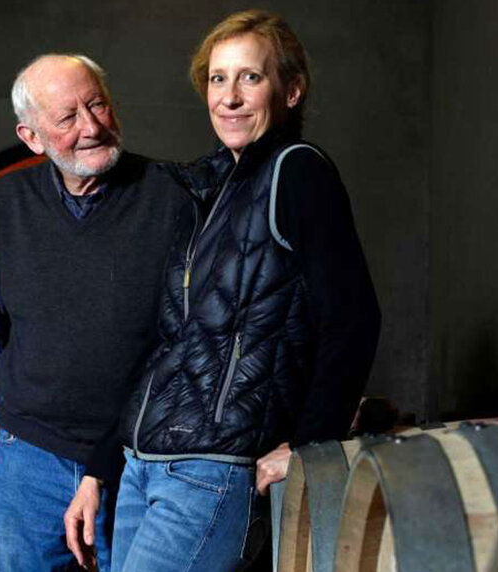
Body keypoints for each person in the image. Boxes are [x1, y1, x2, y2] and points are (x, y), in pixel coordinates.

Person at [65, 11, 381, 572]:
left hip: (210, 471)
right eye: (217, 79)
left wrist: (311, 444)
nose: (229, 97)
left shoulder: (298, 171)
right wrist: (100, 467)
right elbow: (165, 345)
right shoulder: (205, 192)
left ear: (292, 90)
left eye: (250, 78)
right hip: (142, 464)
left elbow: (353, 318)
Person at [0, 53, 193, 572]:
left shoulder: (172, 195)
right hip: (29, 453)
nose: (91, 127)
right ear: (32, 137)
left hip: (135, 456)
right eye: (67, 117)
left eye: (98, 105)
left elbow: (184, 339)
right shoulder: (3, 203)